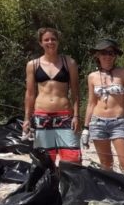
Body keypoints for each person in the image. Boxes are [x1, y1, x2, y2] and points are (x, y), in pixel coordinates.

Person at [23, 27, 82, 165]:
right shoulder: (33, 64)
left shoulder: (69, 63)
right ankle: (49, 186)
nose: (50, 42)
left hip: (65, 115)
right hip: (42, 116)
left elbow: (75, 92)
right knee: (45, 158)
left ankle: (71, 186)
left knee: (72, 157)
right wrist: (27, 118)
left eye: (53, 39)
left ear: (58, 41)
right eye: (46, 40)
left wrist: (76, 116)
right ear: (40, 43)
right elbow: (30, 93)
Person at [82, 38, 124, 173]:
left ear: (115, 55)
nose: (107, 56)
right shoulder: (92, 77)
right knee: (106, 163)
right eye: (104, 53)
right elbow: (91, 103)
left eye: (111, 53)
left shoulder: (123, 73)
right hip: (97, 122)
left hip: (118, 122)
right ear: (98, 55)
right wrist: (86, 128)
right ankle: (111, 191)